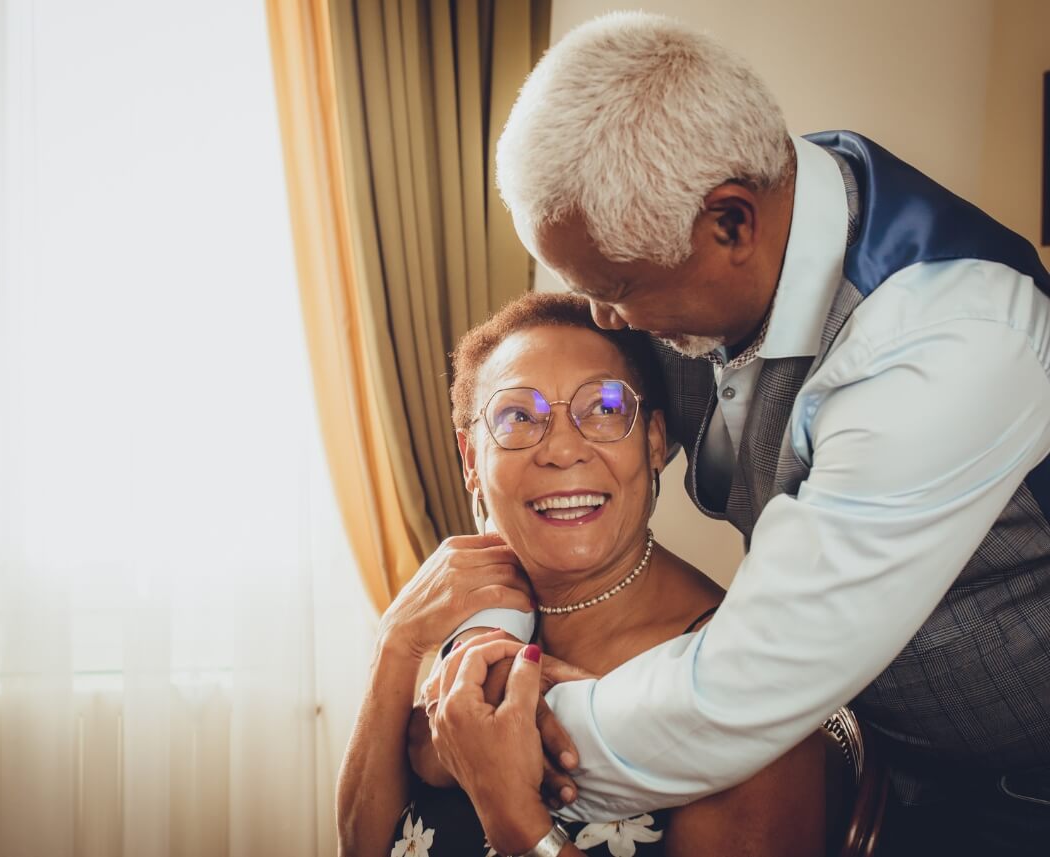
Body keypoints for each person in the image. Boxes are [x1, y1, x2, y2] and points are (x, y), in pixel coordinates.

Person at [437, 11, 1050, 856]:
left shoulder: (953, 337)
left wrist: (505, 734)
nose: (605, 318)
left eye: (614, 286)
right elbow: (551, 462)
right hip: (879, 751)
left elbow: (739, 689)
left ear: (730, 225)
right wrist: (475, 629)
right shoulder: (706, 219)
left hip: (1025, 788)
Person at [336, 293, 826, 857]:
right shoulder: (478, 631)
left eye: (604, 407)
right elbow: (359, 846)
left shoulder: (743, 689)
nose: (564, 449)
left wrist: (519, 823)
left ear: (653, 441)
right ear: (471, 460)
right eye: (519, 416)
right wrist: (394, 645)